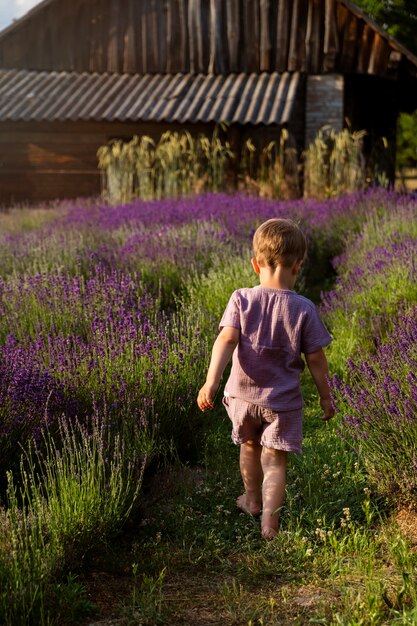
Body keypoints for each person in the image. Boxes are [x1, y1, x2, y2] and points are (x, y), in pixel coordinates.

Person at [197, 218, 334, 540]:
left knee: (249, 446)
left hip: (242, 398)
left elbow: (226, 340)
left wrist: (211, 382)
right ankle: (269, 524)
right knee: (275, 461)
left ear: (255, 264)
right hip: (282, 403)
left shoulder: (241, 298)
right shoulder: (304, 308)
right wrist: (326, 396)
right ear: (298, 266)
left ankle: (252, 500)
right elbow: (315, 357)